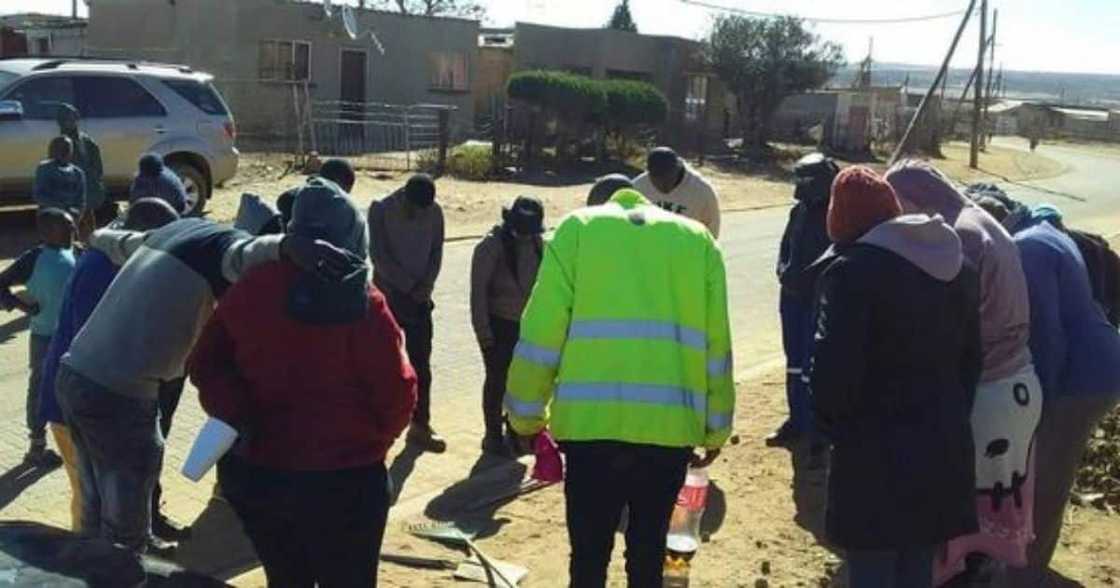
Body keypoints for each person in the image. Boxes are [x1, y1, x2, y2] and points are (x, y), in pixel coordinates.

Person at [54, 213, 351, 553]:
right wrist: (288, 247)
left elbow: (116, 242)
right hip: (118, 391)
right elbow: (246, 253)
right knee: (128, 495)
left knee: (95, 494)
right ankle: (127, 561)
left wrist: (94, 236)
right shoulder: (222, 248)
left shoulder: (169, 234)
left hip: (75, 375)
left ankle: (96, 557)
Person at [189, 178, 416, 588]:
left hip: (261, 475)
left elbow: (205, 364)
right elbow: (398, 393)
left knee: (287, 579)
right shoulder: (363, 301)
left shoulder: (252, 287)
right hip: (345, 481)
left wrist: (239, 414)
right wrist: (369, 444)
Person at [505, 187, 735, 587]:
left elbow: (541, 336)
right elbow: (717, 346)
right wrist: (716, 427)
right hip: (668, 433)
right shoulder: (699, 242)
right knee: (648, 552)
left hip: (591, 432)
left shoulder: (579, 229)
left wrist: (525, 418)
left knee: (589, 555)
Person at [810, 166, 981, 588]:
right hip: (942, 446)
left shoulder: (852, 272)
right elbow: (972, 363)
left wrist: (833, 427)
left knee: (871, 570)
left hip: (875, 456)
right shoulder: (957, 267)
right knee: (916, 569)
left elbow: (833, 373)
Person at [885, 161, 1041, 585]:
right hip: (1017, 385)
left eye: (900, 206)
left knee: (962, 506)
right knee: (995, 499)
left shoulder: (959, 236)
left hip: (986, 390)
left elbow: (952, 328)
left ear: (916, 199)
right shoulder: (984, 220)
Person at [37, 199, 180, 533]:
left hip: (87, 401)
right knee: (91, 500)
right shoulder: (102, 270)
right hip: (76, 405)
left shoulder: (110, 260)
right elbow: (97, 343)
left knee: (102, 499)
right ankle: (84, 568)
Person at [996, 206, 1120, 587]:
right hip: (1095, 366)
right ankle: (1026, 566)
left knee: (1046, 475)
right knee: (1048, 471)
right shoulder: (1046, 234)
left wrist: (1038, 403)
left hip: (1082, 378)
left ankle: (1025, 576)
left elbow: (1047, 336)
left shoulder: (1027, 249)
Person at [368, 173, 446, 453]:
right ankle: (378, 433)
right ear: (406, 197)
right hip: (388, 299)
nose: (423, 213)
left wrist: (425, 287)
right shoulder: (381, 208)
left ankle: (421, 425)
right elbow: (378, 255)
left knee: (422, 366)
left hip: (420, 300)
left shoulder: (435, 211)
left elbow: (437, 250)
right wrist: (407, 286)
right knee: (383, 367)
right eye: (417, 208)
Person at [769, 153, 837, 450]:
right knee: (794, 362)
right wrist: (784, 273)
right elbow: (787, 248)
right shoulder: (799, 212)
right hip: (792, 298)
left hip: (819, 299)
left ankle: (818, 429)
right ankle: (796, 421)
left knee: (816, 365)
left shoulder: (837, 213)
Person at [0, 208, 77, 469]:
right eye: (67, 227)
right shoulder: (33, 259)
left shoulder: (74, 252)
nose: (72, 231)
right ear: (47, 232)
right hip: (44, 337)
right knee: (40, 389)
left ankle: (72, 442)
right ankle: (36, 446)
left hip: (71, 337)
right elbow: (2, 283)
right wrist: (23, 307)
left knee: (69, 388)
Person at [470, 196, 545, 456]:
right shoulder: (490, 247)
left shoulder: (539, 244)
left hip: (529, 326)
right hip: (499, 327)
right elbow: (477, 294)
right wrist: (484, 334)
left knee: (523, 383)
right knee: (497, 382)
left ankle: (516, 432)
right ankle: (492, 436)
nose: (525, 237)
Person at [632, 147, 720, 238]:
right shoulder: (638, 188)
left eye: (668, 178)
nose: (663, 185)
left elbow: (712, 231)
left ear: (677, 169)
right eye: (657, 179)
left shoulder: (702, 191)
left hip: (687, 247)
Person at [56, 104, 105, 231]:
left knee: (87, 217)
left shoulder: (85, 141)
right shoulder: (60, 142)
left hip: (84, 186)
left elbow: (97, 165)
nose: (67, 122)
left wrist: (94, 180)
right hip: (68, 188)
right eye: (64, 120)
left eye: (71, 119)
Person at [278, 157, 357, 227]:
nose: (342, 199)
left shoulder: (304, 194)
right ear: (337, 183)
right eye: (343, 192)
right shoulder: (305, 201)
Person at [33, 136, 86, 219]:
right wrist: (62, 207)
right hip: (50, 214)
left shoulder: (77, 173)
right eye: (60, 150)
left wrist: (77, 215)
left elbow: (81, 200)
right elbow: (39, 196)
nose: (63, 153)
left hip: (71, 216)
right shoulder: (45, 169)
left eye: (67, 149)